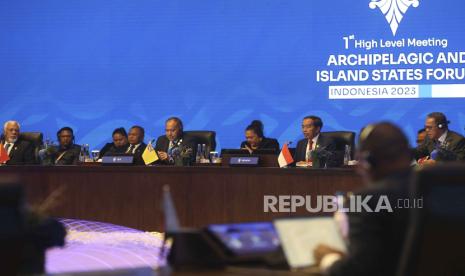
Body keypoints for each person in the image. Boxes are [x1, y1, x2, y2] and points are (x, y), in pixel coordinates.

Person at [313, 122, 414, 276]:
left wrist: (328, 259)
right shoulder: (436, 192)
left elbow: (358, 269)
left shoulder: (366, 199)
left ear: (368, 161)